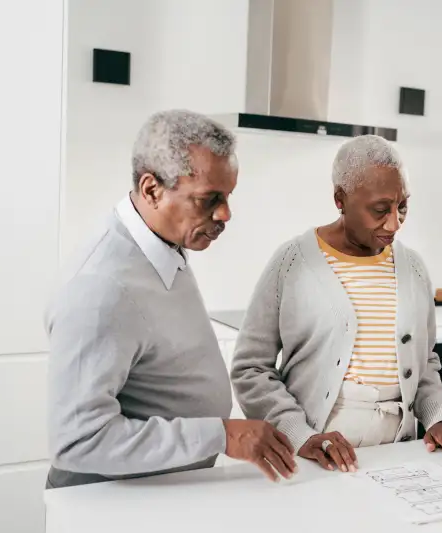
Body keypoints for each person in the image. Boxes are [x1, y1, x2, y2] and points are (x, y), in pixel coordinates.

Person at [45, 110, 297, 489]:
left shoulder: (161, 244)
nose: (225, 213)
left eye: (227, 196)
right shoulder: (100, 286)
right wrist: (223, 436)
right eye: (208, 199)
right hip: (107, 506)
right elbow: (80, 441)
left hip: (159, 494)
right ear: (151, 190)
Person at [230, 135, 442, 472]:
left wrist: (439, 418)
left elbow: (426, 363)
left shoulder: (414, 268)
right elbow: (251, 369)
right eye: (380, 209)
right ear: (340, 200)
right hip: (316, 453)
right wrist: (299, 435)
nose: (394, 223)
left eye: (402, 206)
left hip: (399, 452)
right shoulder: (293, 262)